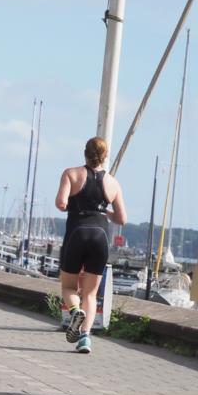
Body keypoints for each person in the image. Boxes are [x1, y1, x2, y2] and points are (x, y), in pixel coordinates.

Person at [55, 137, 127, 355]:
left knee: (69, 287)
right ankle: (85, 338)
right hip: (100, 236)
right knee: (91, 292)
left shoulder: (71, 174)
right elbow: (122, 218)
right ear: (105, 156)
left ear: (84, 153)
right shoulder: (113, 183)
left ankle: (75, 311)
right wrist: (103, 211)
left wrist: (71, 203)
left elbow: (61, 203)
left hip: (77, 233)